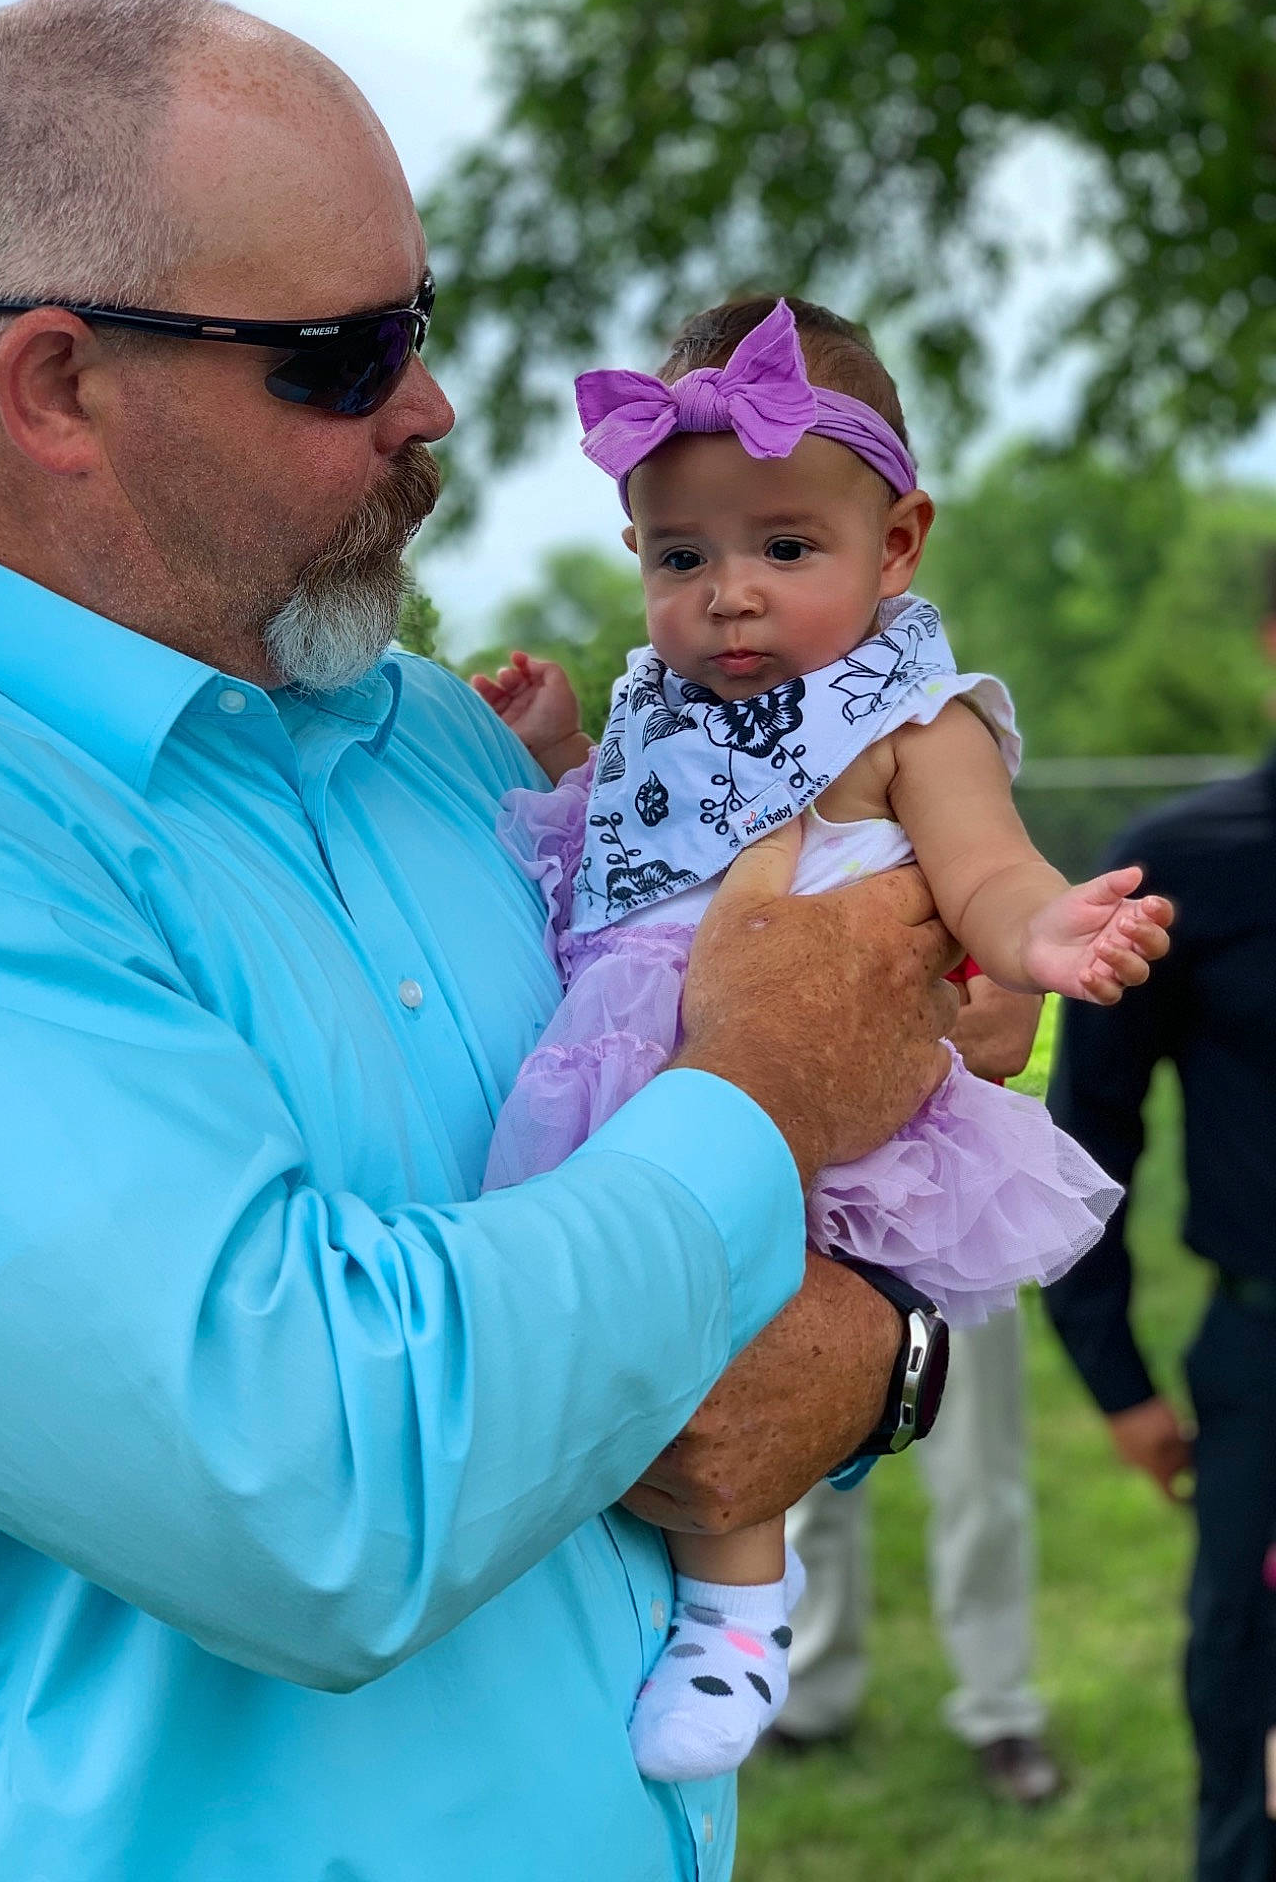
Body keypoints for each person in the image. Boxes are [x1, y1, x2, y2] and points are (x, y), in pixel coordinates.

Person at [0, 0, 970, 1882]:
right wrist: (767, 1094)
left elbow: (686, 1298)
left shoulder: (441, 746)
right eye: (341, 351)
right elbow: (318, 1486)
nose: (434, 403)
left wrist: (886, 1357)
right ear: (56, 386)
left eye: (425, 316)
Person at [470, 294, 1170, 1782]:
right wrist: (561, 755)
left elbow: (981, 865)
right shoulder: (661, 699)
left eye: (785, 550)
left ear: (896, 545)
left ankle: (738, 1613)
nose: (729, 596)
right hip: (648, 1061)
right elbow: (640, 845)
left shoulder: (912, 717)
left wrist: (1043, 933)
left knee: (736, 1327)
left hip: (824, 1098)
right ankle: (656, 1601)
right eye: (683, 556)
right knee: (608, 1323)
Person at [1045, 598, 1276, 1882]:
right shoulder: (1184, 869)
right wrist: (1119, 1380)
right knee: (1252, 1723)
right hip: (1264, 1361)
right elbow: (1090, 1143)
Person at [775, 971, 1064, 1807]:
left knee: (980, 1473)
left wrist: (820, 1044)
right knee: (807, 1464)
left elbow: (1000, 1032)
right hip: (812, 1196)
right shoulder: (767, 848)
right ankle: (810, 1689)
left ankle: (1000, 1706)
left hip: (957, 1194)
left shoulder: (961, 852)